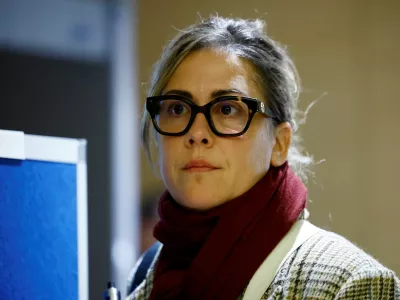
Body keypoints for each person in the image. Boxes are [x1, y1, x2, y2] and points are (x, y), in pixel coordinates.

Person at [127, 16, 400, 300]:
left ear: (280, 143)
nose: (196, 133)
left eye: (228, 109)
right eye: (177, 109)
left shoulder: (350, 283)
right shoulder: (144, 278)